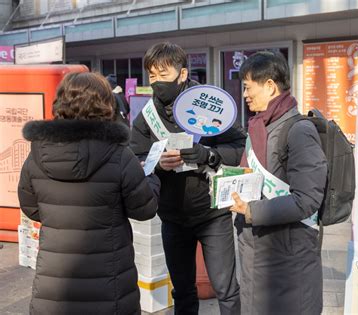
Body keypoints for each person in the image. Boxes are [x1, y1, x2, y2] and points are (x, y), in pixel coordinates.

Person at [17, 72, 160, 315]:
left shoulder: (38, 153)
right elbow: (144, 209)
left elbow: (30, 207)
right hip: (109, 284)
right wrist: (152, 177)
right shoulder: (119, 154)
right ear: (105, 105)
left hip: (55, 287)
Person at [130, 42, 244, 315]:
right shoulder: (147, 117)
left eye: (163, 75)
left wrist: (208, 154)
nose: (157, 83)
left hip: (212, 213)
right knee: (181, 289)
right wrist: (156, 163)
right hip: (172, 216)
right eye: (152, 76)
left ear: (182, 75)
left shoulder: (211, 106)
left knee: (226, 288)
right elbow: (134, 159)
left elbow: (240, 148)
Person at [229, 51, 328, 314]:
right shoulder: (258, 127)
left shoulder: (299, 131)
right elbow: (248, 173)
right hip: (258, 246)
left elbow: (307, 199)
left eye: (248, 87)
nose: (245, 94)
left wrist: (252, 211)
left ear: (270, 86)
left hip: (288, 252)